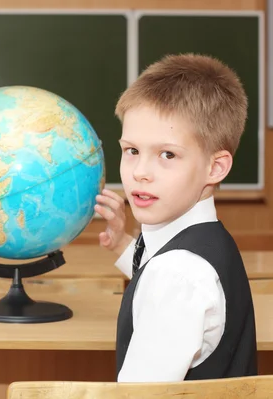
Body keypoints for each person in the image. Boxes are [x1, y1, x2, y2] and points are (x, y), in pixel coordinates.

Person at [94, 53, 258, 382]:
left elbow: (138, 396)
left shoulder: (176, 276)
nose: (140, 173)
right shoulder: (206, 244)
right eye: (132, 151)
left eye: (167, 154)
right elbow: (166, 275)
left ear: (215, 167)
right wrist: (123, 245)